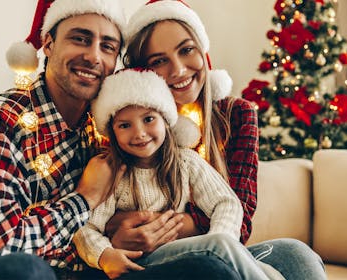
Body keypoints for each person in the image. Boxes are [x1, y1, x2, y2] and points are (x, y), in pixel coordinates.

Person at [0, 0, 242, 279]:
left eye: (108, 46)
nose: (94, 56)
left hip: (95, 272)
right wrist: (83, 200)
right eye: (80, 39)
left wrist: (115, 233)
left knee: (211, 268)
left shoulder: (110, 127)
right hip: (16, 274)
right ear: (48, 43)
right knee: (26, 270)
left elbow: (126, 209)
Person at [103, 0, 327, 279]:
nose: (179, 70)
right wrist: (114, 228)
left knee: (295, 253)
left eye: (186, 50)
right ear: (142, 72)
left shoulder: (236, 114)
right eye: (159, 60)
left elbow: (240, 219)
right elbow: (104, 216)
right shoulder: (135, 129)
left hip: (221, 246)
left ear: (202, 50)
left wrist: (152, 224)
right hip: (155, 261)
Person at [74, 68, 279, 279]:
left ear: (165, 119)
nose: (139, 133)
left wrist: (221, 239)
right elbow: (86, 228)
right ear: (112, 132)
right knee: (229, 252)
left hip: (186, 257)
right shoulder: (113, 173)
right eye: (125, 125)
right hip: (139, 261)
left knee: (276, 261)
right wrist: (104, 254)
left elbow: (226, 203)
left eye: (148, 119)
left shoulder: (186, 161)